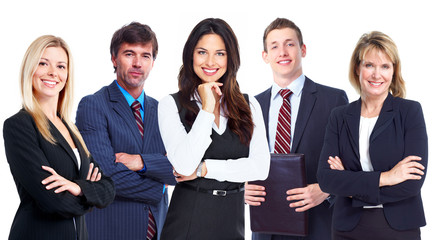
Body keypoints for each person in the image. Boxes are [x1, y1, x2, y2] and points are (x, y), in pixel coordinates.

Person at [158, 18, 270, 239]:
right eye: (202, 52)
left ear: (231, 58)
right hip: (187, 222)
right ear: (191, 55)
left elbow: (260, 167)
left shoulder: (249, 105)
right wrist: (207, 108)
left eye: (220, 53)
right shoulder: (170, 104)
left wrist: (204, 169)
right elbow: (183, 163)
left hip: (232, 222)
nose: (210, 61)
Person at [317, 31, 427, 240]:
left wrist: (349, 188)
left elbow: (412, 183)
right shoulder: (339, 116)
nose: (377, 75)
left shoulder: (410, 112)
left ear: (394, 71)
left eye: (385, 66)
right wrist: (387, 177)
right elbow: (326, 180)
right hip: (347, 229)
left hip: (399, 229)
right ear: (357, 67)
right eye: (369, 65)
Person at [245, 18, 348, 240]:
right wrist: (241, 187)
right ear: (265, 56)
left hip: (318, 224)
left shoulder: (334, 100)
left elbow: (353, 161)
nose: (282, 51)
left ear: (302, 49)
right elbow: (238, 160)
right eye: (274, 46)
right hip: (266, 228)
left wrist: (325, 189)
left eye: (289, 44)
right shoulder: (250, 106)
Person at [3, 35, 115, 240]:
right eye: (43, 63)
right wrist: (90, 196)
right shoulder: (19, 125)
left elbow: (108, 188)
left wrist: (78, 187)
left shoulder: (71, 129)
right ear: (30, 69)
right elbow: (52, 201)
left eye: (61, 66)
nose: (53, 73)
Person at [75, 22, 176, 240]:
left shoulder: (163, 110)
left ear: (153, 62)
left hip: (158, 232)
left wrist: (141, 162)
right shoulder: (93, 106)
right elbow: (107, 176)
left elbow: (180, 168)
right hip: (110, 231)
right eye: (129, 54)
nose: (138, 63)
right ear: (114, 58)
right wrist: (159, 188)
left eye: (145, 56)